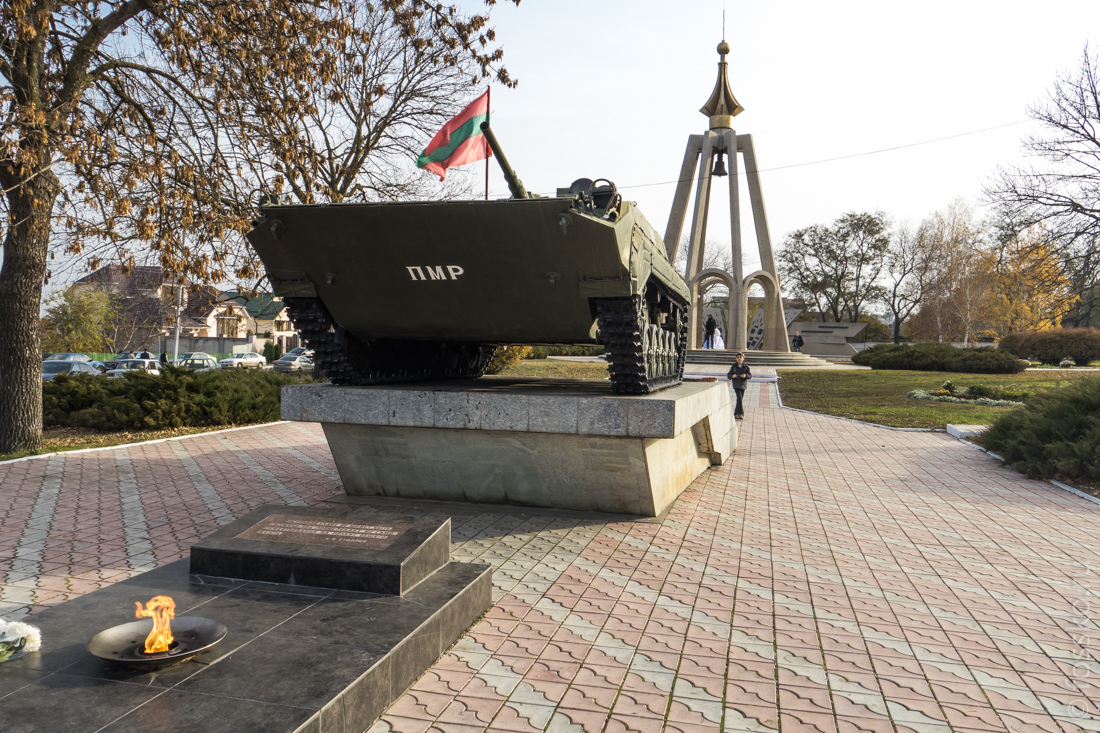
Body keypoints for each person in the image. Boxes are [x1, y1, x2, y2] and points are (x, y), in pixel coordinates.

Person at [727, 352, 751, 420]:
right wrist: (732, 376)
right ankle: (741, 413)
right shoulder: (734, 367)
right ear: (736, 359)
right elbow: (729, 375)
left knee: (739, 399)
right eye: (738, 357)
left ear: (743, 358)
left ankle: (736, 413)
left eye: (740, 357)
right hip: (736, 385)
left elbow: (750, 375)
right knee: (739, 397)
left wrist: (745, 375)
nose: (739, 359)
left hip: (743, 385)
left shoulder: (746, 367)